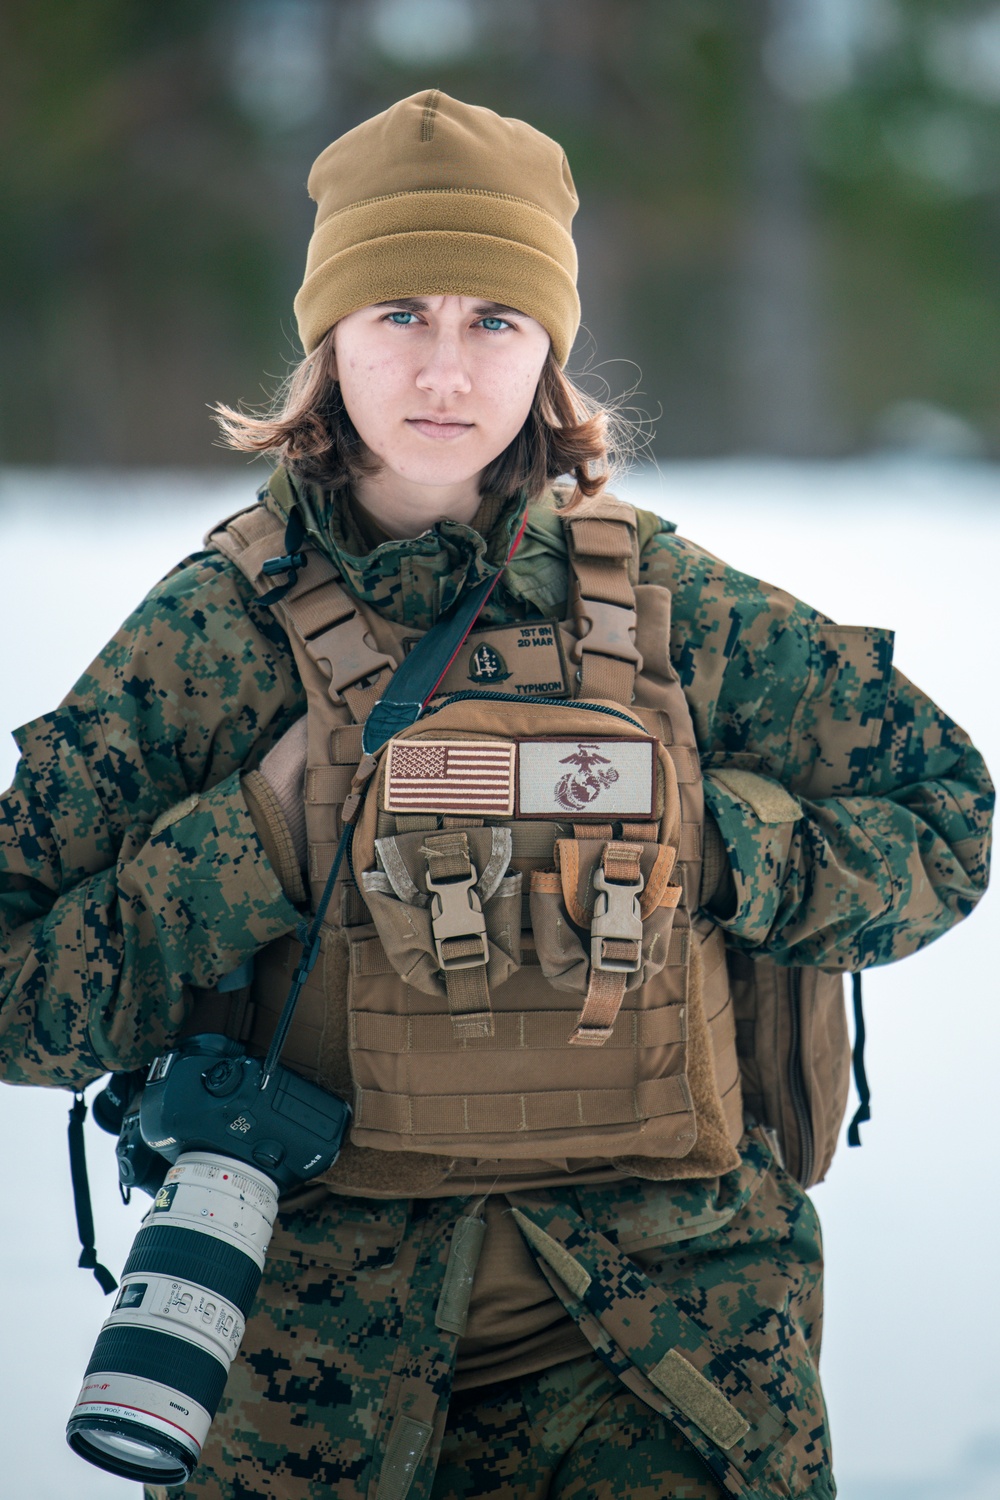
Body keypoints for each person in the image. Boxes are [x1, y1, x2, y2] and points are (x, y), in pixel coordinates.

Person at [0, 90, 992, 1500]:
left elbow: (949, 817)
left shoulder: (668, 602)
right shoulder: (214, 634)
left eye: (496, 320)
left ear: (551, 349)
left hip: (677, 1358)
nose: (446, 369)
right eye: (399, 310)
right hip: (311, 1391)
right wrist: (257, 840)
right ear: (325, 335)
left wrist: (715, 848)